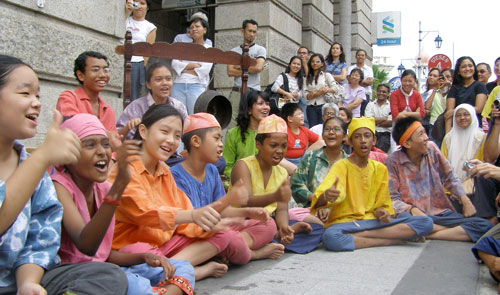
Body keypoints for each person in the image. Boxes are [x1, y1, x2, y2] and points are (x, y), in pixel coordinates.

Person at [0, 54, 128, 295]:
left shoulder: (38, 174)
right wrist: (43, 156)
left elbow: (39, 240)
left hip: (20, 282)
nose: (37, 103)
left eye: (38, 95)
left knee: (107, 276)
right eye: (25, 93)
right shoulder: (45, 168)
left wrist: (28, 282)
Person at [53, 114, 195, 295]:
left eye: (105, 144)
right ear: (69, 154)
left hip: (107, 269)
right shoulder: (60, 187)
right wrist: (118, 188)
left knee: (183, 268)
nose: (102, 151)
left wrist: (143, 257)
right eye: (90, 145)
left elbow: (104, 254)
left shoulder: (103, 188)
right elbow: (86, 246)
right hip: (77, 276)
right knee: (124, 281)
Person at [108, 104, 250, 280]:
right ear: (143, 131)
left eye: (176, 136)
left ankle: (169, 270)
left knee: (223, 233)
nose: (171, 141)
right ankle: (188, 271)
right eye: (165, 132)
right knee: (138, 251)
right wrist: (192, 216)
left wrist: (206, 228)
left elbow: (184, 213)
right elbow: (145, 212)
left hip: (165, 245)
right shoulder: (125, 169)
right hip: (132, 249)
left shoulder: (164, 171)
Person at [171, 113, 283, 263]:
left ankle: (222, 251)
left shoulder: (211, 170)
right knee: (228, 236)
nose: (221, 144)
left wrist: (248, 212)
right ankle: (254, 254)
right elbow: (192, 221)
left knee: (268, 224)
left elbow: (222, 211)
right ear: (196, 141)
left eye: (221, 139)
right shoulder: (175, 176)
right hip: (193, 235)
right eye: (216, 138)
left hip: (215, 231)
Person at [311, 117, 433, 251]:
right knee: (331, 237)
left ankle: (362, 236)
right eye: (357, 137)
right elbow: (320, 200)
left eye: (367, 136)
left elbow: (382, 206)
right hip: (345, 223)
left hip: (372, 222)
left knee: (425, 222)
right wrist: (326, 196)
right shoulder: (341, 166)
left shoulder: (380, 169)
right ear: (350, 142)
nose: (363, 141)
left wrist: (382, 213)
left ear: (374, 140)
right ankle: (391, 240)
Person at [386, 116, 493, 242]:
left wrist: (465, 201)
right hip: (413, 215)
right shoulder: (393, 161)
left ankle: (427, 233)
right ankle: (425, 230)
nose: (426, 137)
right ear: (407, 143)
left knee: (485, 226)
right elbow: (392, 199)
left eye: (425, 132)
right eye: (421, 134)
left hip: (439, 212)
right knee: (406, 222)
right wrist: (411, 209)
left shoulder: (431, 148)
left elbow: (449, 177)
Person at [231, 115, 324, 254]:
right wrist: (274, 197)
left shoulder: (282, 173)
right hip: (244, 221)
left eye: (283, 146)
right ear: (258, 144)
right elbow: (247, 203)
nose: (280, 151)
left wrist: (284, 228)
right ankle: (268, 240)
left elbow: (281, 210)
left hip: (270, 222)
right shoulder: (243, 166)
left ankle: (275, 237)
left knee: (317, 230)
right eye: (273, 145)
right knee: (265, 227)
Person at [441, 104, 500, 222]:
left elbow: (487, 162)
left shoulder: (481, 138)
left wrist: (461, 190)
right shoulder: (448, 138)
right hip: (450, 190)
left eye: (466, 114)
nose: (462, 118)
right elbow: (443, 166)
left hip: (474, 188)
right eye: (458, 115)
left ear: (473, 116)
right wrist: (453, 188)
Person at [291, 117, 348, 223]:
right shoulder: (311, 157)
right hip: (311, 210)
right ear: (322, 135)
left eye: (336, 129)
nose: (331, 132)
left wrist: (329, 208)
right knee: (291, 214)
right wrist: (317, 200)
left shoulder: (349, 163)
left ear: (345, 136)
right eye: (327, 129)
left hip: (339, 212)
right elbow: (297, 185)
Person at [117, 61, 187, 140]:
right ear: (148, 84)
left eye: (168, 79)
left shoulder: (178, 107)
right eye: (158, 79)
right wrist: (128, 127)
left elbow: (187, 134)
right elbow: (117, 138)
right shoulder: (136, 107)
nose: (165, 83)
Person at [57, 51, 120, 135]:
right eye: (95, 70)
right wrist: (106, 134)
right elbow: (73, 128)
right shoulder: (69, 98)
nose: (103, 75)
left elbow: (113, 142)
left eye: (106, 70)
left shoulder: (108, 110)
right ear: (80, 75)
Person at [227, 19, 266, 126]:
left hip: (253, 92)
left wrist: (239, 67)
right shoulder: (233, 51)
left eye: (254, 32)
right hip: (236, 91)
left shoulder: (260, 50)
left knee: (253, 124)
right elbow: (230, 71)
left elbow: (258, 67)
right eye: (249, 31)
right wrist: (248, 67)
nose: (252, 34)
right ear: (242, 31)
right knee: (232, 124)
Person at [222, 89, 270, 179]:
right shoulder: (233, 134)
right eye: (261, 103)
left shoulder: (272, 133)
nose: (266, 107)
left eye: (267, 104)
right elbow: (228, 166)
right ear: (249, 110)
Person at [171, 16, 213, 115]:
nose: (193, 29)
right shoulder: (183, 47)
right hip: (178, 84)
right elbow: (174, 63)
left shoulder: (208, 49)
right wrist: (194, 65)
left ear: (204, 30)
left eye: (197, 26)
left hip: (197, 85)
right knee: (177, 117)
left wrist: (183, 68)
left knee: (196, 116)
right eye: (191, 27)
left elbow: (204, 70)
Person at [445, 56, 488, 133]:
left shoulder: (480, 86)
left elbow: (478, 109)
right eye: (464, 67)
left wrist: (456, 111)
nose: (467, 69)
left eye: (470, 66)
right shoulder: (454, 88)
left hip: (475, 128)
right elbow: (448, 114)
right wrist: (447, 135)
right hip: (457, 129)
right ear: (458, 71)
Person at [125, 0, 157, 101]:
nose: (139, 6)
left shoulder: (150, 27)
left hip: (136, 63)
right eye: (136, 2)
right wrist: (127, 12)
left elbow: (148, 51)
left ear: (147, 7)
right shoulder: (125, 19)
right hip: (120, 59)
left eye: (142, 3)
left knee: (133, 95)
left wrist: (142, 65)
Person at [303, 53, 344, 127]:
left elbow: (335, 88)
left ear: (322, 64)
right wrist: (313, 94)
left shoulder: (326, 75)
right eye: (313, 61)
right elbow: (305, 95)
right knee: (313, 128)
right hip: (311, 106)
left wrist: (325, 90)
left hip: (324, 105)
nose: (315, 63)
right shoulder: (307, 77)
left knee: (325, 126)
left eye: (317, 61)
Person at [365, 83, 392, 153]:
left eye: (384, 92)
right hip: (372, 132)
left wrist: (375, 122)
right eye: (379, 91)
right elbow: (368, 121)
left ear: (388, 94)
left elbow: (390, 123)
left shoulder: (391, 106)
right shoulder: (370, 105)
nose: (381, 93)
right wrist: (383, 119)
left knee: (380, 152)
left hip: (386, 133)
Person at [347, 49, 374, 116]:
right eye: (359, 55)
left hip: (365, 94)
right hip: (352, 94)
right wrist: (364, 82)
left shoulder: (369, 69)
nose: (360, 57)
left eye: (362, 55)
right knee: (351, 113)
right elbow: (349, 80)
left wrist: (356, 81)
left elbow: (370, 82)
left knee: (363, 115)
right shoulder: (351, 68)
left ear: (365, 57)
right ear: (356, 56)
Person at [421, 68, 445, 137]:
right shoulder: (425, 94)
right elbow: (426, 107)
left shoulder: (442, 93)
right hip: (431, 125)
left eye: (434, 76)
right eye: (430, 75)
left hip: (441, 124)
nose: (431, 77)